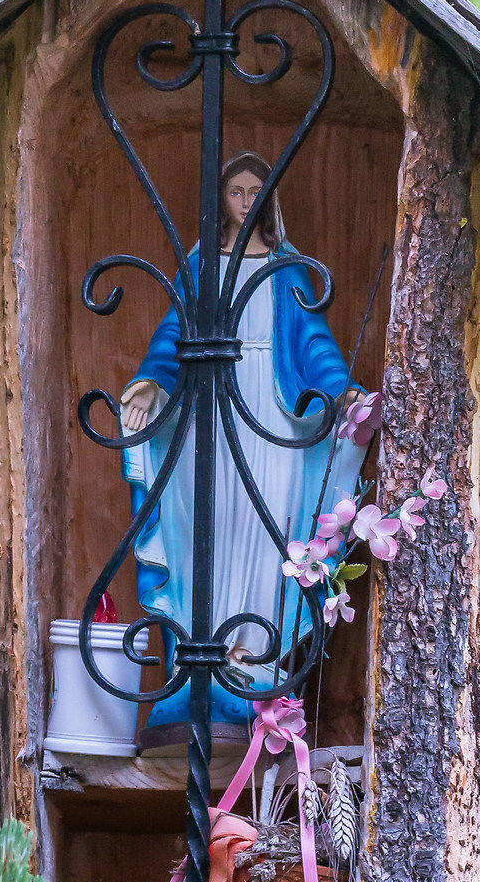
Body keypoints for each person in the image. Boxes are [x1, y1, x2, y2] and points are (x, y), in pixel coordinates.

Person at [119, 152, 364, 738]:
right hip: (210, 408)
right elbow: (173, 333)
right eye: (237, 191)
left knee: (266, 529)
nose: (247, 200)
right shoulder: (202, 265)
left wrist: (340, 391)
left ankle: (253, 662)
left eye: (257, 190)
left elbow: (314, 343)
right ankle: (203, 659)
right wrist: (152, 379)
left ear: (270, 198)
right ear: (219, 200)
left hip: (270, 416)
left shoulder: (286, 269)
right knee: (213, 522)